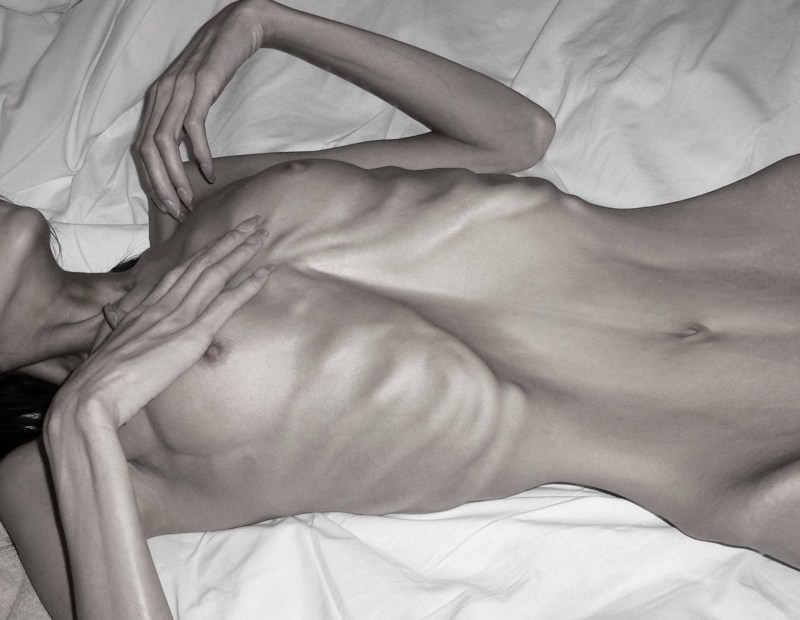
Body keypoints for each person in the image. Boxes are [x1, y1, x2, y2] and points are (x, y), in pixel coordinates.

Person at [0, 0, 798, 617]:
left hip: (762, 233)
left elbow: (514, 136)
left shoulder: (187, 197)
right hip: (741, 450)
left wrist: (263, 21)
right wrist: (85, 418)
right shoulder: (61, 467)